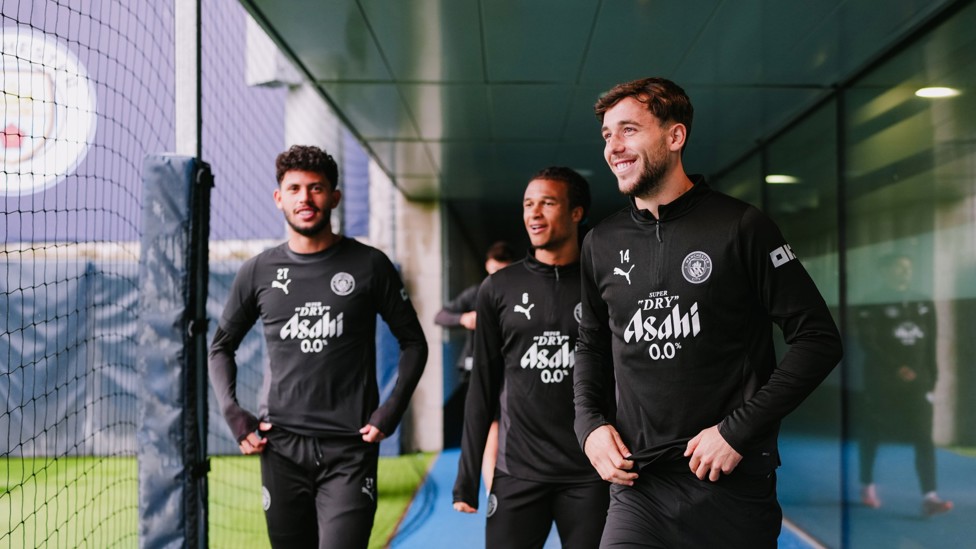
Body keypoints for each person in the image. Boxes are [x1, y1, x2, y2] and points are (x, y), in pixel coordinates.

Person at [573, 77, 843, 548]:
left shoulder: (742, 226)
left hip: (730, 483)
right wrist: (588, 426)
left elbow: (818, 339)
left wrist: (737, 432)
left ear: (675, 137)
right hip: (639, 486)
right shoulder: (600, 242)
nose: (613, 146)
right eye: (606, 135)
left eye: (628, 130)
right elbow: (591, 343)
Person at [208, 145, 428, 549]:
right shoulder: (257, 271)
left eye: (316, 188)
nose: (305, 199)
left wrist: (390, 411)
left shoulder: (369, 265)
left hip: (350, 447)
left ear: (335, 197)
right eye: (293, 189)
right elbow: (220, 347)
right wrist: (233, 413)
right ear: (279, 198)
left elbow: (414, 343)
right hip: (281, 447)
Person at [453, 167, 609, 548]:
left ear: (576, 213)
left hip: (591, 471)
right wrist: (467, 478)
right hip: (518, 471)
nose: (534, 213)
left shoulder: (604, 283)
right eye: (528, 203)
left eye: (548, 202)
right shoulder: (498, 288)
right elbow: (483, 387)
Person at [855, 253, 952, 516]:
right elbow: (868, 343)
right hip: (882, 382)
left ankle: (930, 496)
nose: (904, 273)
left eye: (907, 268)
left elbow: (931, 343)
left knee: (923, 437)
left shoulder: (923, 302)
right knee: (873, 433)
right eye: (898, 268)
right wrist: (897, 368)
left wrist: (932, 378)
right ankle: (867, 484)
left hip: (918, 384)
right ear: (885, 272)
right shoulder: (870, 303)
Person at [436, 240, 514, 484]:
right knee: (488, 433)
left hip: (513, 372)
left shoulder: (519, 294)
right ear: (487, 267)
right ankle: (492, 492)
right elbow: (441, 315)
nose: (496, 277)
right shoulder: (475, 293)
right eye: (493, 272)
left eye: (502, 272)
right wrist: (464, 318)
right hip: (478, 371)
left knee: (509, 432)